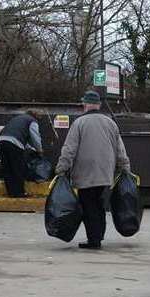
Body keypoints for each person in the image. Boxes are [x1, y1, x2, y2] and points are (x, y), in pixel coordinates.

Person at [55, 90, 130, 250]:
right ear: (99, 105)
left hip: (86, 173)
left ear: (85, 104)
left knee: (89, 206)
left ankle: (94, 240)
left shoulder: (79, 123)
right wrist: (125, 168)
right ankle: (97, 236)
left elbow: (69, 149)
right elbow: (120, 149)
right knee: (98, 204)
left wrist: (61, 168)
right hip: (105, 173)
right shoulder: (111, 123)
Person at [0, 110, 43, 197]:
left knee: (7, 169)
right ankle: (20, 193)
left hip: (2, 141)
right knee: (18, 168)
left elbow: (19, 136)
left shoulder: (18, 119)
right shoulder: (32, 121)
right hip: (14, 143)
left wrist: (31, 148)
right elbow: (35, 137)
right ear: (35, 116)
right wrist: (39, 150)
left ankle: (11, 193)